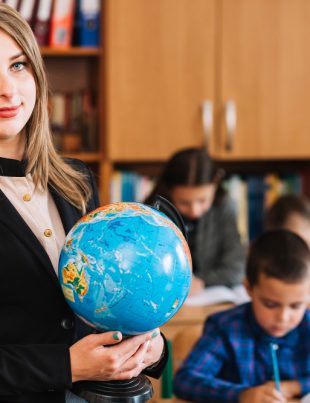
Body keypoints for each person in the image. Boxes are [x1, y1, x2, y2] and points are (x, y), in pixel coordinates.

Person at [0, 4, 167, 402]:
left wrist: (151, 348)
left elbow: (101, 298)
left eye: (18, 65)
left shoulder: (75, 179)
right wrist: (68, 366)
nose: (7, 89)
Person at [173, 229, 310, 402]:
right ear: (249, 288)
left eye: (296, 306)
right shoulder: (225, 328)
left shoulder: (307, 326)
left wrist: (296, 386)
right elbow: (185, 381)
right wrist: (242, 394)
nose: (283, 317)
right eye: (270, 304)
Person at [146, 147, 245, 295]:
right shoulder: (152, 214)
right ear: (169, 191)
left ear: (215, 183)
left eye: (203, 200)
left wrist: (202, 282)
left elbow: (236, 269)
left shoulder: (224, 206)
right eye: (184, 202)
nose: (195, 211)